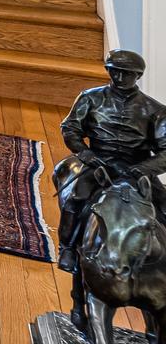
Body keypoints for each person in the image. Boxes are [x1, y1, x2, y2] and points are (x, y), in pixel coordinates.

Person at [55, 50, 166, 273]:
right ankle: (67, 247)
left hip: (137, 169)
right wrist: (86, 155)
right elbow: (70, 128)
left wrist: (142, 169)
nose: (120, 78)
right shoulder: (90, 98)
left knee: (163, 206)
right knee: (76, 198)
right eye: (114, 72)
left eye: (126, 73)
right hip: (99, 164)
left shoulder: (155, 110)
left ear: (138, 75)